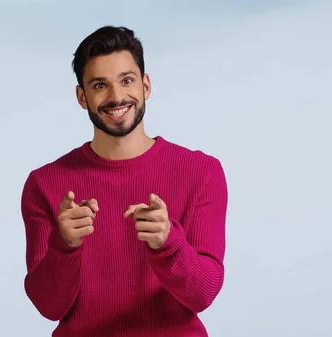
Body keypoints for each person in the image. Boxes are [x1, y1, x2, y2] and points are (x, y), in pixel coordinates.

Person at [21, 25, 228, 337]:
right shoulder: (45, 184)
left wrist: (167, 242)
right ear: (82, 96)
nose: (117, 97)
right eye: (100, 85)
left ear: (146, 86)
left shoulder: (202, 172)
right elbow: (49, 307)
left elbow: (203, 294)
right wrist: (65, 245)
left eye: (127, 80)